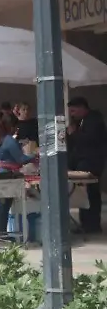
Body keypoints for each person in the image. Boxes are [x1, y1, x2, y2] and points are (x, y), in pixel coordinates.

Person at [0, 111, 37, 239]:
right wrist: (35, 155)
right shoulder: (10, 140)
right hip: (8, 176)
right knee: (5, 206)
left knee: (1, 206)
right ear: (11, 126)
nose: (17, 129)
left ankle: (1, 232)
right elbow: (21, 159)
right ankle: (4, 235)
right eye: (16, 126)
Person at [67, 97, 106, 233]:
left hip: (91, 162)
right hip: (82, 161)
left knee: (91, 193)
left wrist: (74, 133)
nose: (72, 114)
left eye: (73, 111)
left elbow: (91, 139)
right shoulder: (80, 122)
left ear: (82, 108)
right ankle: (86, 223)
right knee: (84, 194)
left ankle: (92, 224)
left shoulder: (94, 120)